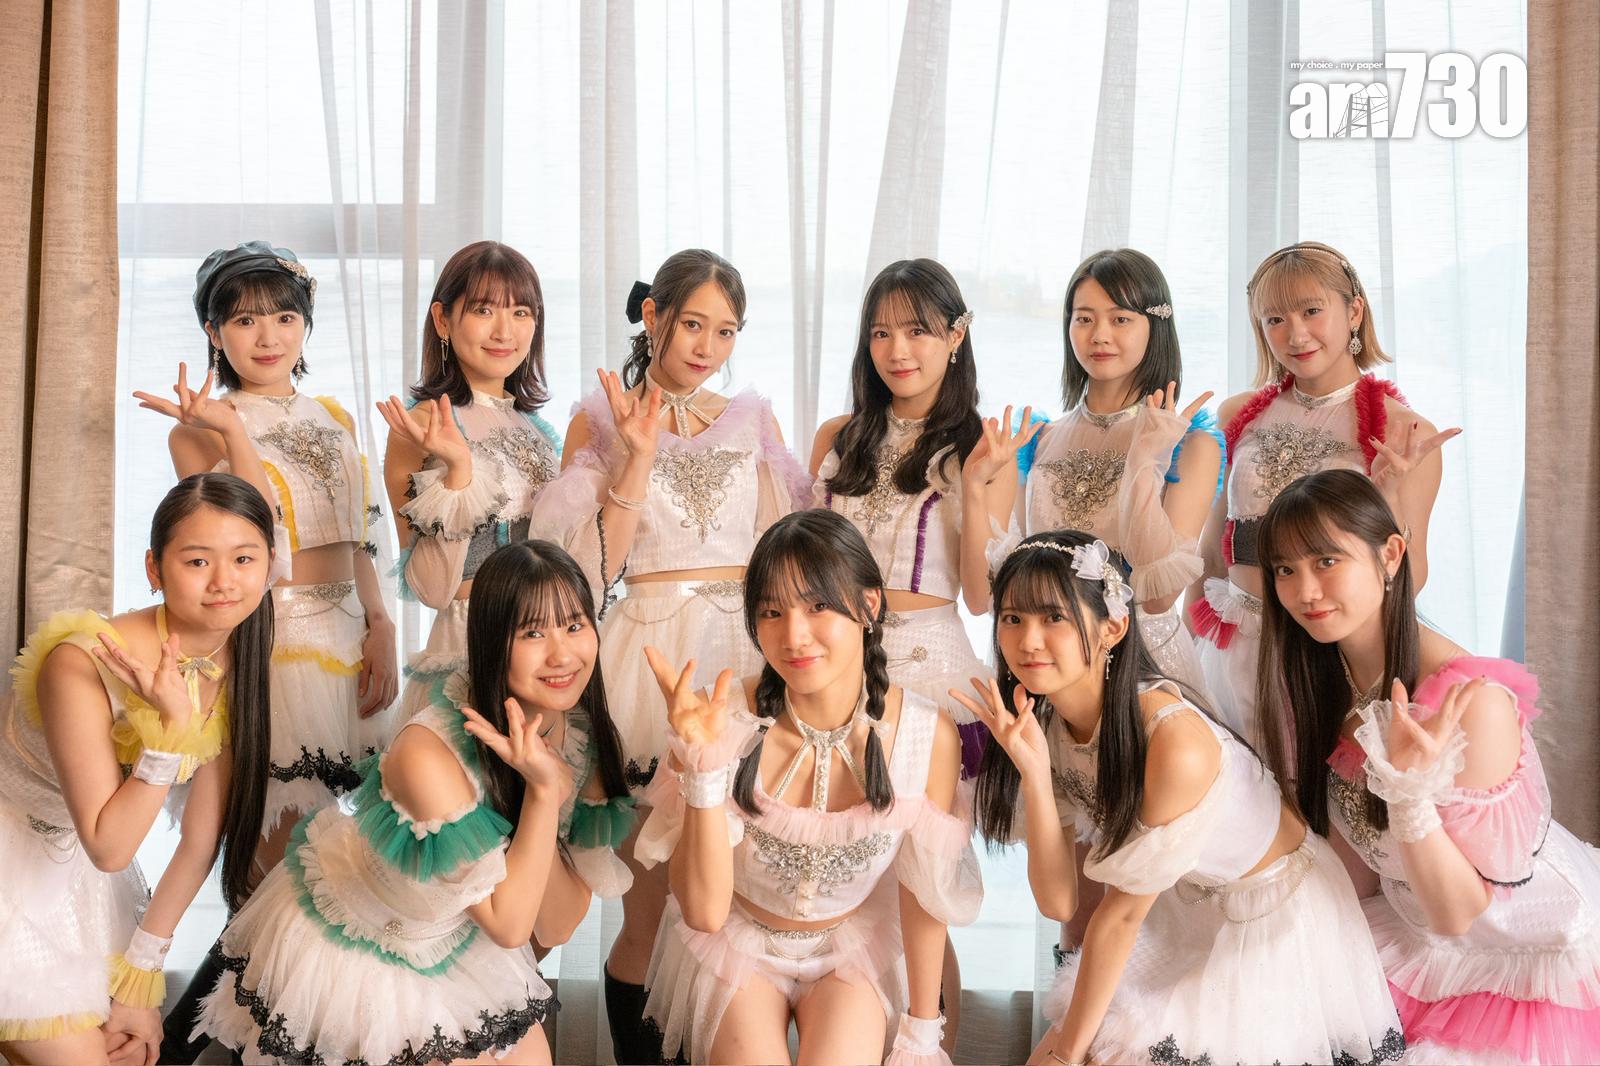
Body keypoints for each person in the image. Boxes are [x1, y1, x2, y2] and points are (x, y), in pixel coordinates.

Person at [968, 528, 1402, 1066]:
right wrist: (1033, 772)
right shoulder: (1050, 725)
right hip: (1181, 909)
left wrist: (1062, 1058)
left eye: (1053, 617)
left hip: (1269, 921)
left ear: (1113, 627)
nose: (1028, 641)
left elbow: (1119, 919)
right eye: (1012, 618)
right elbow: (1059, 903)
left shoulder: (1174, 742)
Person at [195, 539, 637, 1065]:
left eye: (575, 625)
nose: (562, 655)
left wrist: (547, 791)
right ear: (492, 642)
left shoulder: (579, 733)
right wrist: (543, 793)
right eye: (533, 632)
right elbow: (511, 925)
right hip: (361, 942)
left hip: (457, 938)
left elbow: (557, 925)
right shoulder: (428, 754)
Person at [530, 248, 810, 1061]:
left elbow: (783, 551)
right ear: (652, 315)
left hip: (745, 663)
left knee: (735, 908)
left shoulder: (753, 419)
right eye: (693, 324)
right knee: (649, 914)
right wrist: (634, 454)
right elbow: (591, 570)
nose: (707, 347)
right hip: (646, 662)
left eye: (726, 332)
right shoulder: (597, 418)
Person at [1257, 469, 1600, 1065]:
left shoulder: (1474, 703)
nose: (1305, 590)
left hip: (1524, 964)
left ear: (1391, 555)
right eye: (1285, 569)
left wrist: (1409, 793)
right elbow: (1357, 869)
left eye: (1326, 561)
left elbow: (1460, 912)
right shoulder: (1324, 682)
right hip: (1414, 938)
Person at [0, 473, 275, 1066]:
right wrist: (170, 732)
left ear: (270, 565)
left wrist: (140, 982)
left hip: (77, 880)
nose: (224, 581)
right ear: (154, 568)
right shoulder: (81, 661)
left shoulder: (235, 657)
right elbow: (111, 846)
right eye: (197, 560)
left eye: (244, 558)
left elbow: (200, 839)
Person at [1190, 240, 1456, 748]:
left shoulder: (1404, 432)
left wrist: (1389, 495)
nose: (1296, 334)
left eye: (1312, 311)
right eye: (1275, 319)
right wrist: (1187, 641)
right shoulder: (1237, 414)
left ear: (1354, 311)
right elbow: (1213, 545)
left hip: (1327, 654)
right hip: (1234, 649)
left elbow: (1411, 576)